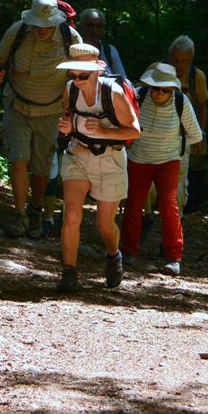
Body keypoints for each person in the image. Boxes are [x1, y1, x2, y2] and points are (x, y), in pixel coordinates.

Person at [0, 0, 82, 239]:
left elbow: (85, 74)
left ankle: (36, 210)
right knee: (18, 159)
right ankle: (19, 216)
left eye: (47, 25)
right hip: (17, 105)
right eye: (38, 24)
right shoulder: (16, 32)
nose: (42, 29)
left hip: (51, 112)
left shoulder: (70, 38)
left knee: (41, 167)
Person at [56, 43, 140, 292]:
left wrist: (103, 131)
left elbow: (134, 130)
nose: (77, 80)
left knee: (104, 224)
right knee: (71, 215)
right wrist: (68, 127)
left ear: (97, 71)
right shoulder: (70, 89)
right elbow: (69, 118)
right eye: (73, 74)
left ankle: (114, 255)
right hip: (78, 154)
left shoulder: (113, 93)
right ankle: (69, 273)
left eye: (83, 74)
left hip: (111, 159)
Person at [120, 64, 202, 276]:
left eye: (165, 90)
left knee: (169, 206)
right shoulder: (137, 96)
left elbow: (195, 135)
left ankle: (174, 256)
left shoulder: (181, 102)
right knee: (133, 205)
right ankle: (127, 251)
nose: (159, 93)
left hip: (168, 161)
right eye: (155, 88)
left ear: (173, 90)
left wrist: (174, 146)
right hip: (138, 159)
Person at [143, 35, 208, 220]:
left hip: (181, 141)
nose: (179, 65)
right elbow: (139, 99)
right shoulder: (154, 71)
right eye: (175, 59)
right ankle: (147, 217)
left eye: (184, 61)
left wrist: (200, 135)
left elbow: (202, 106)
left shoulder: (197, 77)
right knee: (148, 186)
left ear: (191, 60)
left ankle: (173, 227)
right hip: (151, 140)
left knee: (177, 188)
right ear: (168, 56)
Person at [78, 8, 128, 79]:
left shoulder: (110, 51)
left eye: (99, 26)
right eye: (89, 25)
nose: (94, 30)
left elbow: (123, 79)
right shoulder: (71, 50)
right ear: (81, 26)